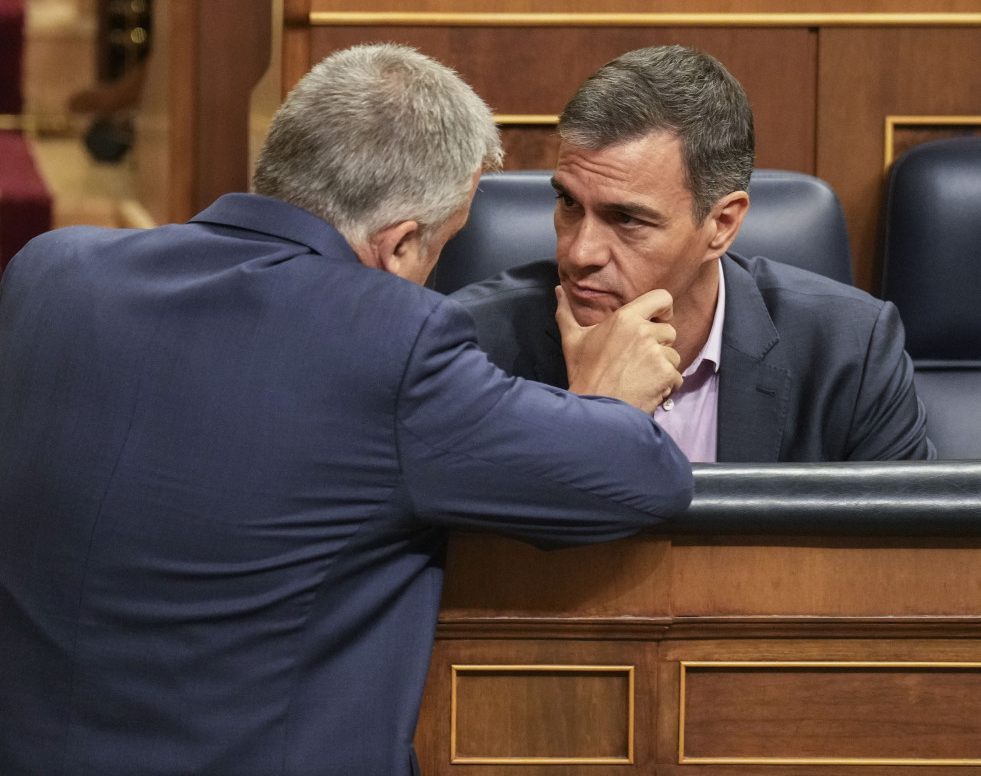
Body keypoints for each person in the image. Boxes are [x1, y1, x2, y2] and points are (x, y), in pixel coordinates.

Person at [0, 45, 693, 776]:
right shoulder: (393, 340)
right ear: (398, 248)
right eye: (440, 250)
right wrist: (605, 398)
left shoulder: (51, 274)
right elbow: (638, 477)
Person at [451, 45, 934, 462]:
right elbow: (473, 562)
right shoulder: (471, 348)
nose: (579, 252)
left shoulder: (850, 350)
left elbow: (910, 557)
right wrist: (591, 416)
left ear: (721, 225)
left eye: (627, 219)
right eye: (570, 203)